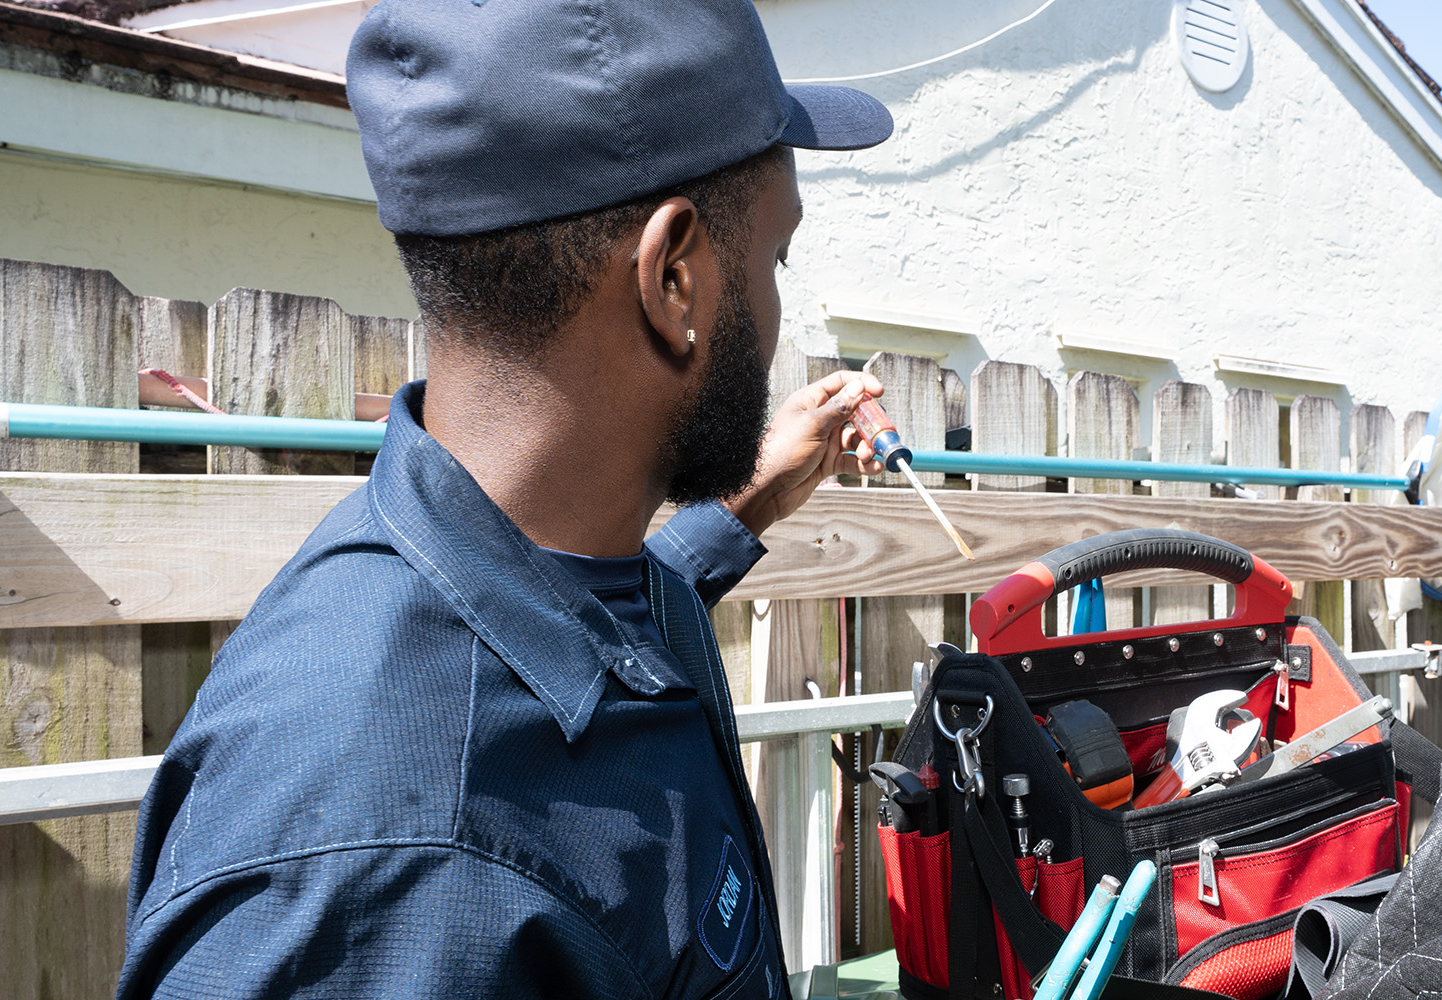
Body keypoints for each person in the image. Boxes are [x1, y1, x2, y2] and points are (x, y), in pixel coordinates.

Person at [116, 1, 894, 997]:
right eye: (775, 257)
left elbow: (575, 631)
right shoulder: (390, 856)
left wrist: (742, 511)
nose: (781, 304)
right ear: (675, 280)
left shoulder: (537, 572)